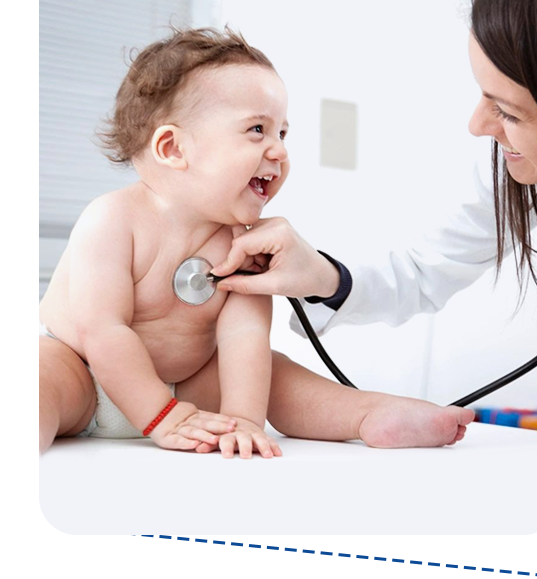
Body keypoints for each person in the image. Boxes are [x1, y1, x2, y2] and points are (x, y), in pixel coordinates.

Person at [39, 27, 475, 458]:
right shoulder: (113, 219)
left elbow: (243, 338)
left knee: (276, 376)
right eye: (256, 130)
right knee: (34, 380)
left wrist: (244, 421)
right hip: (87, 376)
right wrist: (162, 417)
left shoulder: (244, 243)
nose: (280, 151)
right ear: (173, 148)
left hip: (189, 387)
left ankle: (366, 413)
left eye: (282, 134)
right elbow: (103, 331)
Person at [210, 0, 537, 390]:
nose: (478, 126)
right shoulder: (518, 170)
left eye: (509, 111)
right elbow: (423, 272)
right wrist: (323, 276)